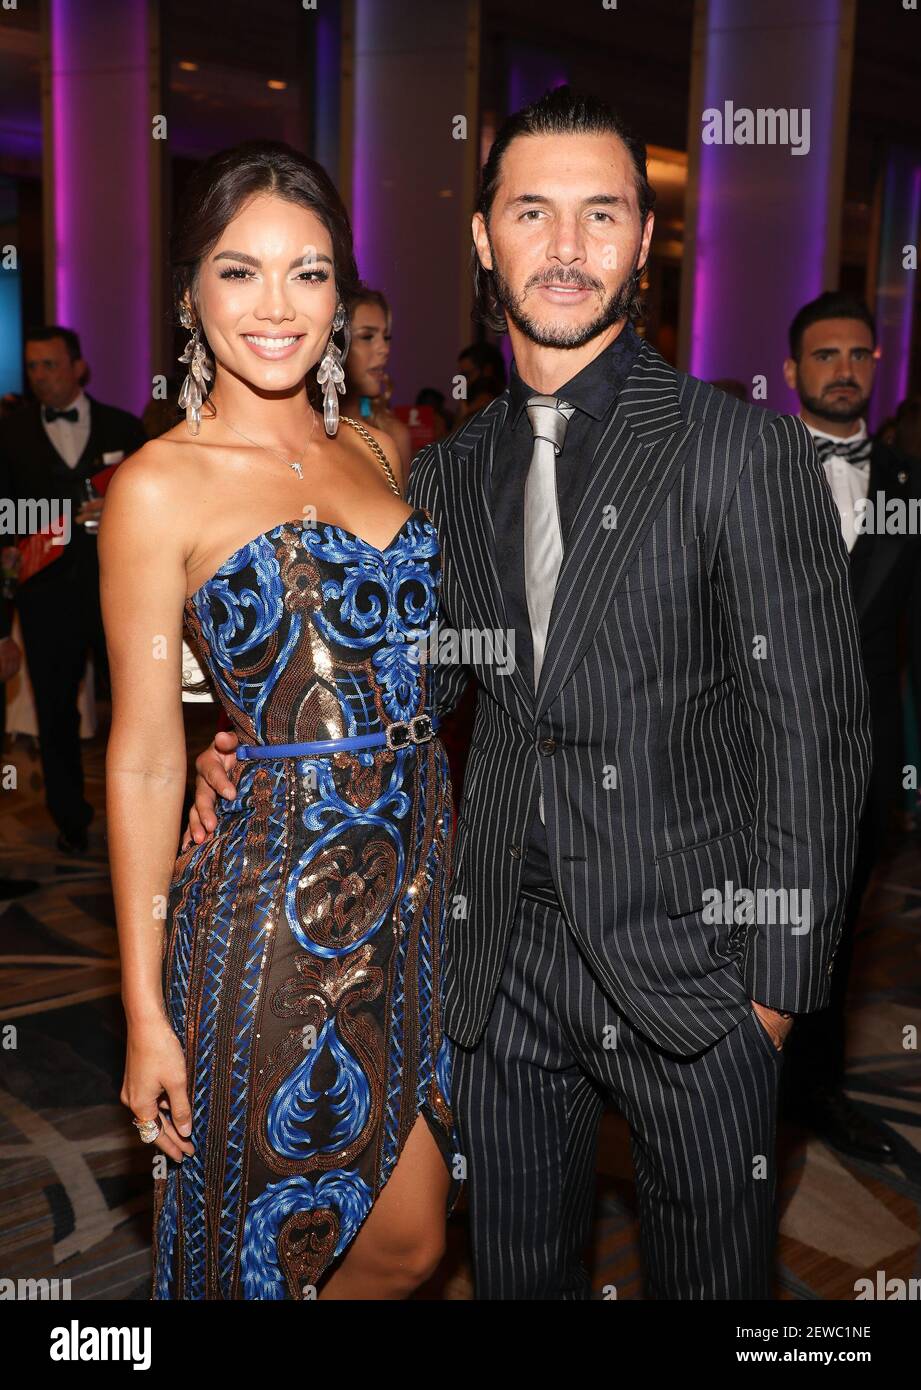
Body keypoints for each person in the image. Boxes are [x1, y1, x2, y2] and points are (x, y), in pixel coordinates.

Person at [189, 87, 871, 1300]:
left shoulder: (739, 450)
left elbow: (816, 732)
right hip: (498, 966)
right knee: (516, 1276)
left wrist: (774, 991)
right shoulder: (448, 474)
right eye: (533, 213)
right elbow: (404, 686)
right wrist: (248, 747)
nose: (565, 249)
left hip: (702, 972)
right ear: (482, 237)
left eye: (600, 215)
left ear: (645, 243)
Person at [99, 139, 460, 1301]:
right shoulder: (158, 484)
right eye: (239, 270)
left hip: (416, 890)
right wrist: (145, 1011)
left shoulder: (377, 445)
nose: (278, 305)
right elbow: (150, 753)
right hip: (270, 911)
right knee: (253, 1250)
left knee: (411, 1238)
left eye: (309, 273)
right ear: (191, 296)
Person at [780, 292, 921, 1162]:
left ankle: (816, 1093)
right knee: (743, 929)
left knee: (837, 934)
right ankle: (730, 1091)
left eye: (857, 355)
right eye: (824, 355)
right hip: (751, 752)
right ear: (791, 371)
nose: (842, 369)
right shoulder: (747, 467)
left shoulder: (910, 486)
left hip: (865, 757)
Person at [0, 326, 146, 854]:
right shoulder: (10, 434)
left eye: (51, 365)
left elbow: (159, 510)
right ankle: (70, 818)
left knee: (132, 707)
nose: (41, 376)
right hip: (45, 598)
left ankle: (142, 814)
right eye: (33, 367)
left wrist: (120, 510)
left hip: (118, 594)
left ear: (78, 367)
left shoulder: (124, 428)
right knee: (55, 713)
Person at [338, 288, 413, 475]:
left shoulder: (393, 436)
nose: (384, 349)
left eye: (386, 337)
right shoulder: (306, 432)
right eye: (367, 336)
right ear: (335, 344)